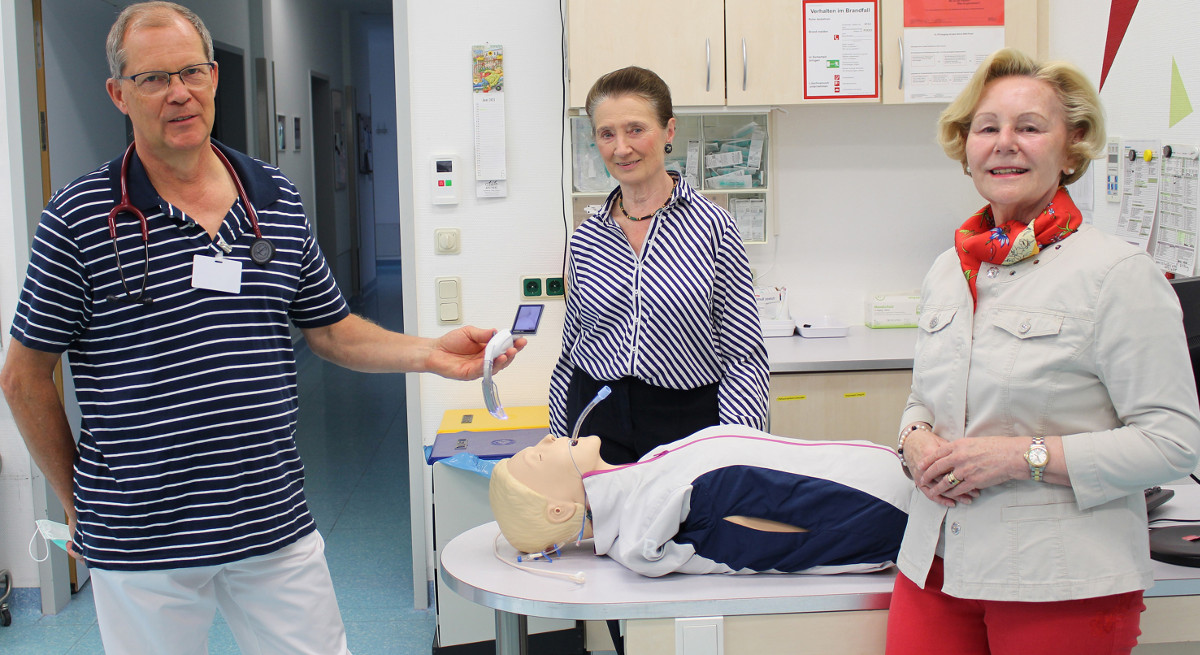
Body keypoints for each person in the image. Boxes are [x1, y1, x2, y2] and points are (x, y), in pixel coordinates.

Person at [0, 3, 523, 653]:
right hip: (141, 534)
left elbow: (330, 330)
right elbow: (23, 377)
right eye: (154, 79)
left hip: (270, 515)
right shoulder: (79, 217)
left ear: (215, 76)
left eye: (191, 71)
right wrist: (76, 499)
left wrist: (431, 353)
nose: (179, 93)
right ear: (118, 94)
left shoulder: (271, 198)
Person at [886, 48, 1200, 655]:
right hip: (935, 565)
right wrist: (914, 437)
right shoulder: (950, 268)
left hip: (1059, 579)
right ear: (965, 146)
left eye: (1029, 127)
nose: (1005, 143)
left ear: (1072, 144)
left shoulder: (1118, 273)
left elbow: (1174, 442)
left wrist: (1019, 457)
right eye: (987, 128)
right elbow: (925, 398)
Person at [548, 66, 769, 465]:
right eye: (606, 133)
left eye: (635, 129)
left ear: (668, 131)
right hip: (597, 418)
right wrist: (558, 443)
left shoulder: (713, 227)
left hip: (686, 420)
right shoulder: (586, 237)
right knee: (607, 528)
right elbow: (572, 351)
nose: (621, 148)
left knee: (689, 525)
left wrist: (737, 448)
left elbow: (744, 356)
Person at [489, 425, 911, 577]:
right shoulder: (653, 518)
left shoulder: (647, 475)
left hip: (896, 477)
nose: (547, 438)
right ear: (558, 510)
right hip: (900, 508)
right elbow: (792, 540)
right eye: (539, 455)